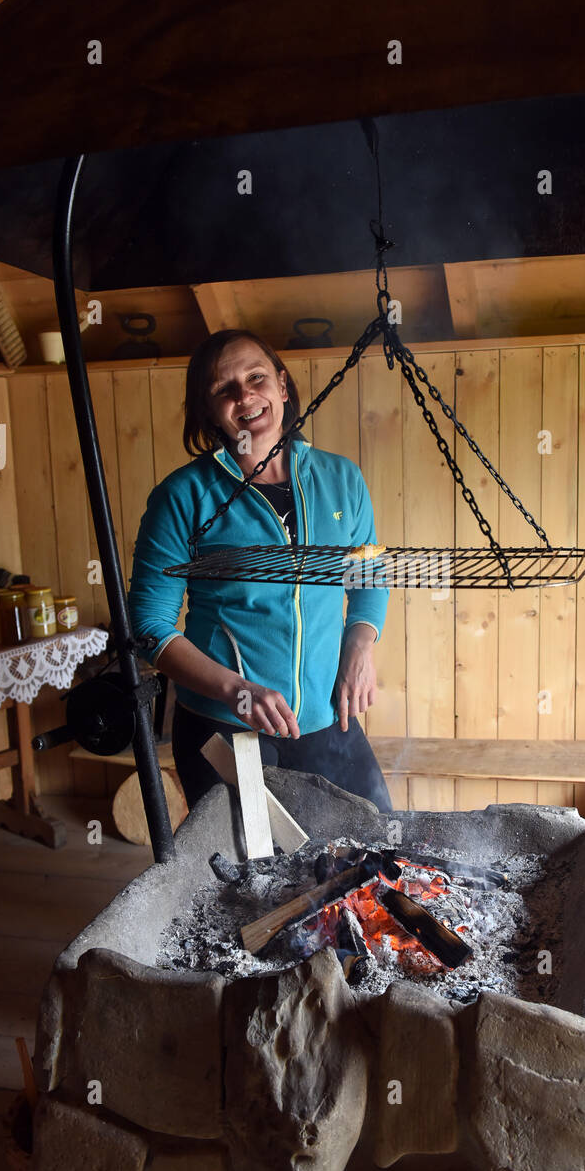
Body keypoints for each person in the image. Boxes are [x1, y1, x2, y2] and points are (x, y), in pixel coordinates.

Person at [127, 328, 392, 812]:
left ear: (282, 386)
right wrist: (237, 690)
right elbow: (149, 628)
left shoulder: (341, 478)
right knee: (251, 875)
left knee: (371, 844)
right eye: (224, 390)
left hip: (326, 717)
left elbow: (368, 574)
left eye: (256, 378)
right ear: (208, 411)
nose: (245, 397)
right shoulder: (182, 496)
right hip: (226, 725)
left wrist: (359, 646)